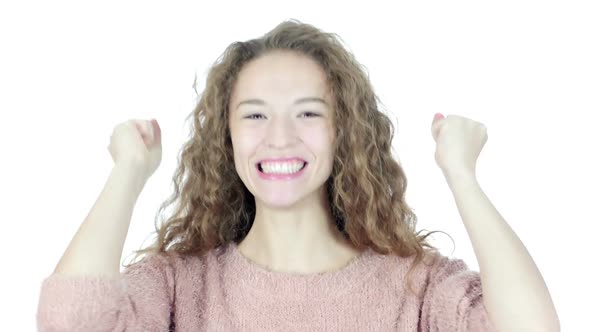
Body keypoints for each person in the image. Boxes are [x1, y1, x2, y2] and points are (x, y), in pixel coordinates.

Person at [36, 19, 559, 331]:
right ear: (227, 136)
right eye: (255, 114)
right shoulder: (183, 284)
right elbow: (70, 323)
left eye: (308, 113)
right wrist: (127, 174)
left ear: (344, 132)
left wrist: (462, 176)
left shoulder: (413, 286)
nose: (280, 137)